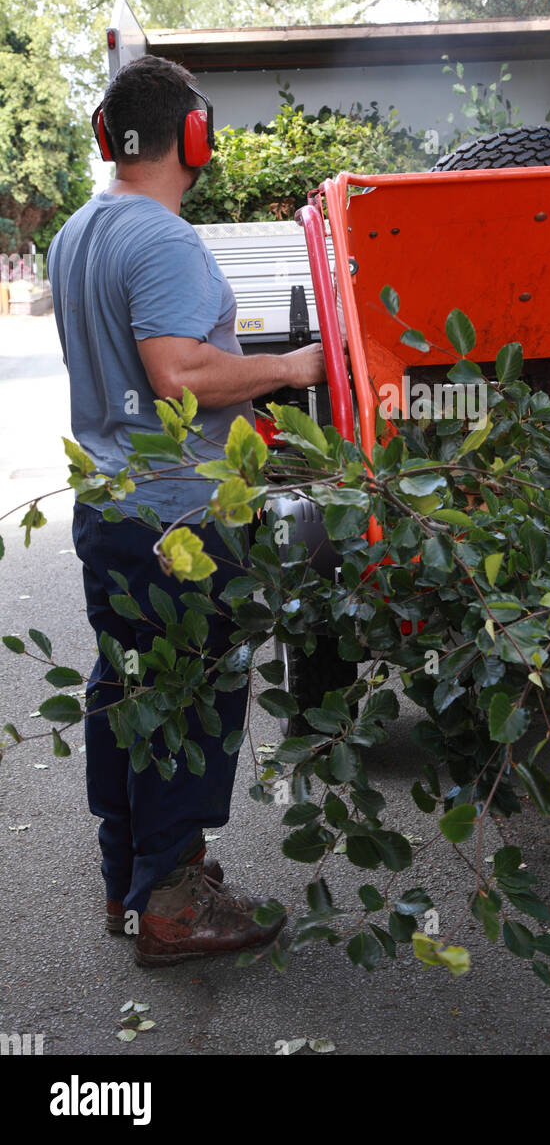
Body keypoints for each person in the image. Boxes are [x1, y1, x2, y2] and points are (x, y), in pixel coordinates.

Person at [47, 54, 326, 966]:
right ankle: (170, 908)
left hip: (115, 511)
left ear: (108, 136)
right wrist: (294, 368)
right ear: (194, 136)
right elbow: (179, 376)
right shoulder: (163, 238)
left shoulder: (78, 231)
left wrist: (252, 430)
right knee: (191, 697)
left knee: (128, 688)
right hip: (178, 525)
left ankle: (130, 884)